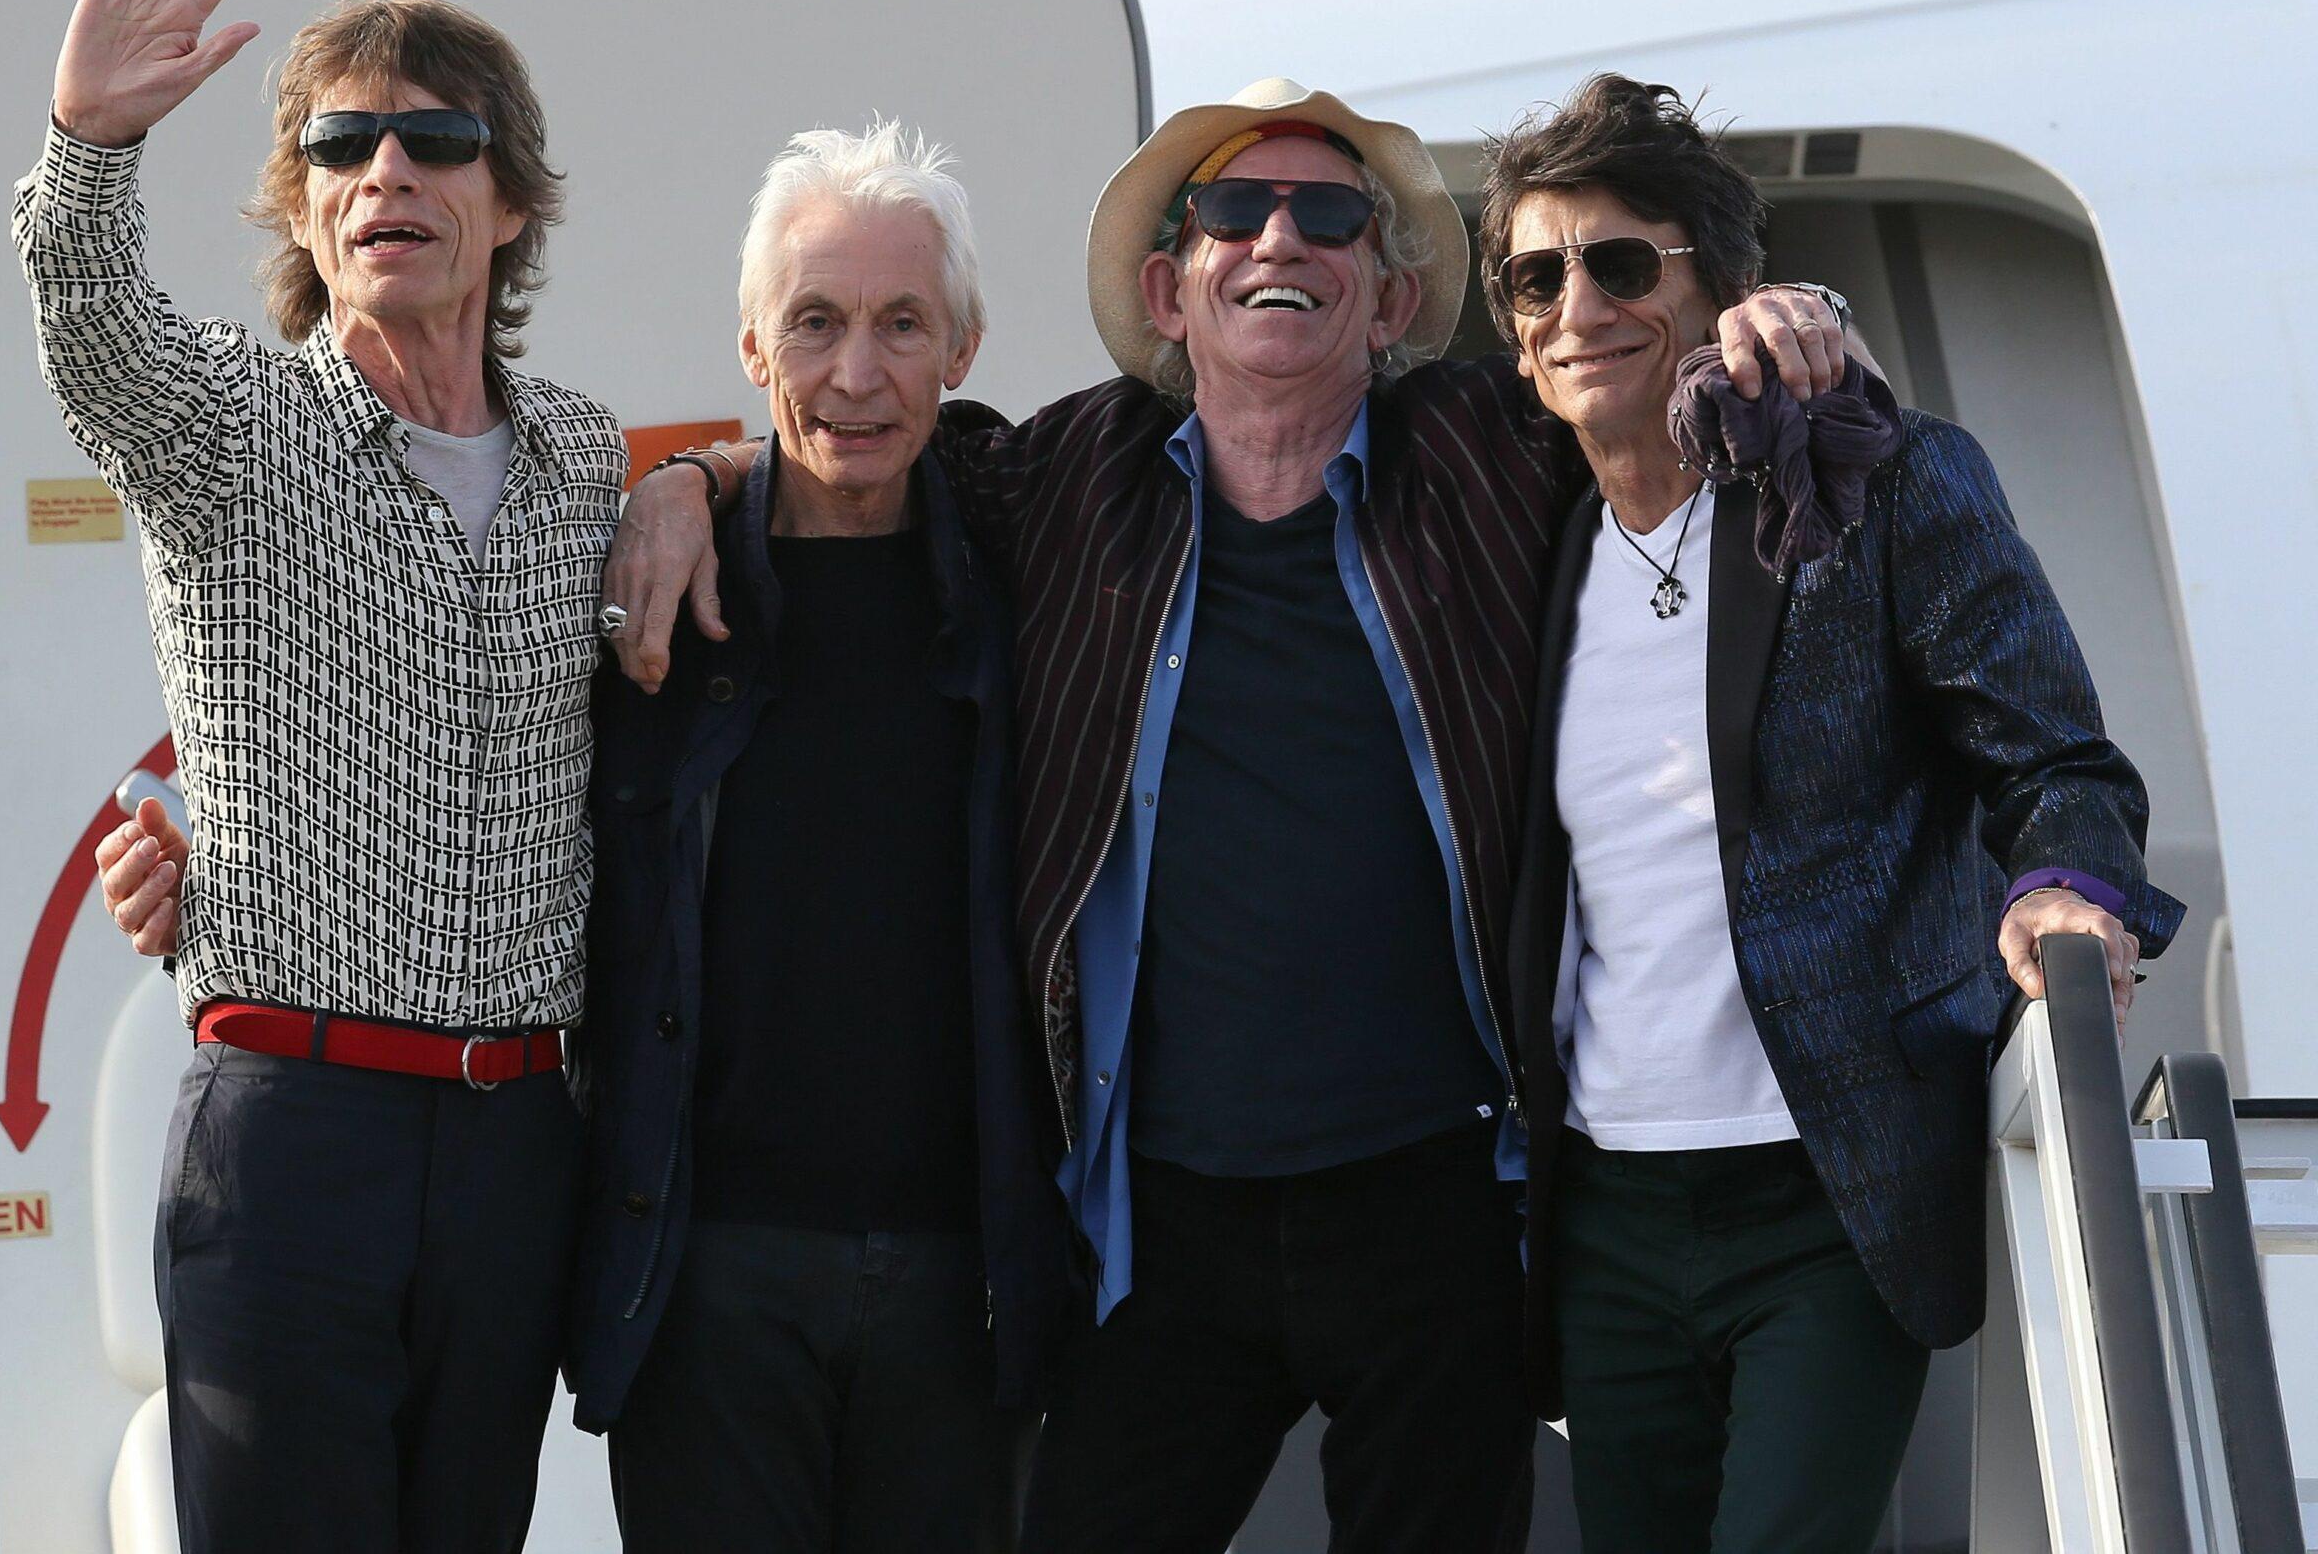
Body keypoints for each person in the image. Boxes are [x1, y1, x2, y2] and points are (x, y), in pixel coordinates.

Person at [607, 78, 1847, 1554]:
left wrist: (1786, 312)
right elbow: (865, 442)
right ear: (1167, 287)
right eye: (1232, 211)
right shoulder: (1071, 479)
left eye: (1329, 215)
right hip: (1164, 1222)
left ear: (1387, 299)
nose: (1282, 237)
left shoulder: (1496, 455)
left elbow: (1628, 363)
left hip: (1432, 1195)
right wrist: (691, 471)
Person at [100, 122, 1076, 1552]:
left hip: (962, 1283)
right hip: (702, 1285)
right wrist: (231, 867)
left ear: (966, 348)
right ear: (752, 346)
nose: (856, 375)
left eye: (901, 325)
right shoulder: (649, 589)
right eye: (814, 322)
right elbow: (454, 759)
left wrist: (706, 471)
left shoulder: (1028, 574)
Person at [1484, 74, 2183, 1554]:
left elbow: (2057, 755)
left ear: (1715, 287)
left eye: (1623, 263)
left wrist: (2065, 889)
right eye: (1535, 275)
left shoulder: (1873, 479)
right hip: (1605, 1205)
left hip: (1826, 1188)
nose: (1576, 307)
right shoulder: (1518, 524)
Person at [26, 0, 624, 1554]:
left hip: (518, 1147)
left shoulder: (587, 461)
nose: (389, 175)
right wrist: (87, 140)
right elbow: (92, 334)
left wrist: (696, 485)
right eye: (343, 144)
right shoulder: (231, 428)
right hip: (293, 1141)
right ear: (301, 203)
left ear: (511, 206)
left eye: (438, 139)